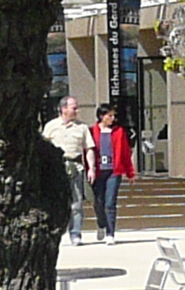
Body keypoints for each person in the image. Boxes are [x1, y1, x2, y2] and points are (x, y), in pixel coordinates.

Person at [42, 95, 92, 241]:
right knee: (55, 201)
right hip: (57, 168)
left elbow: (89, 148)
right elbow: (43, 148)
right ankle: (53, 233)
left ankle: (75, 233)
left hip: (76, 167)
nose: (77, 111)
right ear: (64, 109)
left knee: (76, 202)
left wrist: (91, 168)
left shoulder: (82, 127)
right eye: (74, 108)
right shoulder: (50, 126)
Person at [87, 102, 136, 240]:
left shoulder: (119, 132)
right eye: (109, 116)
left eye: (113, 116)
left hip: (114, 171)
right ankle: (101, 224)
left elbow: (125, 153)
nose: (112, 118)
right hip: (98, 171)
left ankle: (110, 233)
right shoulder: (91, 131)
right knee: (99, 202)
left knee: (110, 202)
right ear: (102, 116)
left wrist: (130, 172)